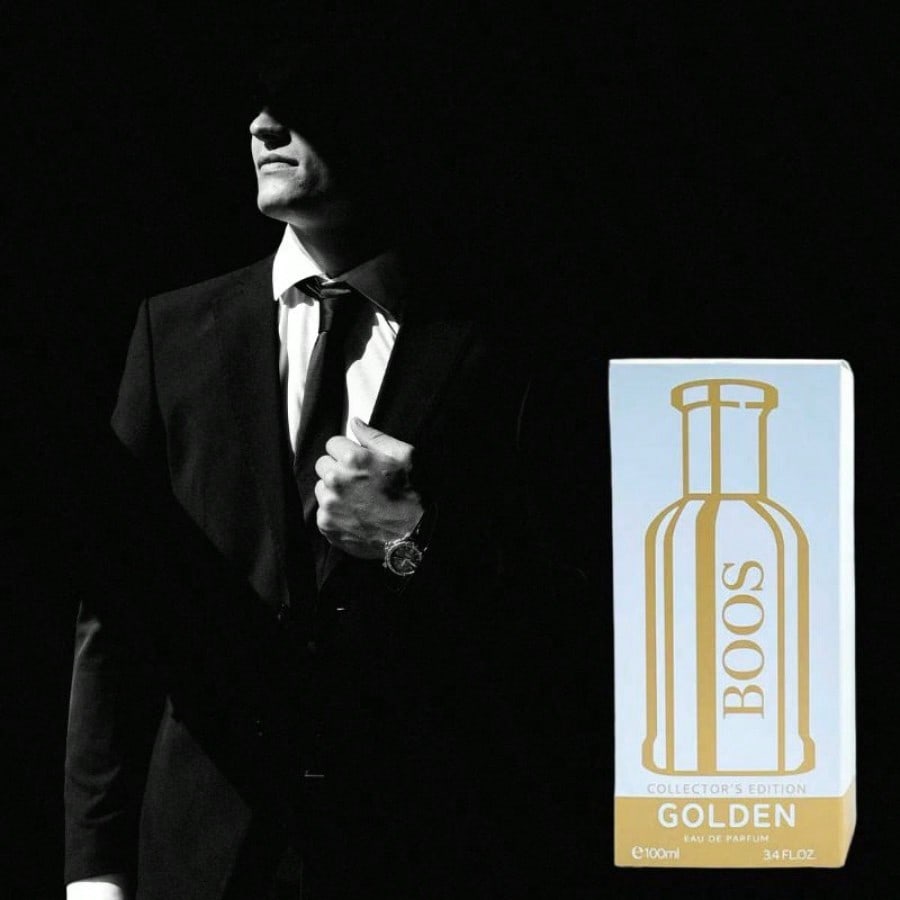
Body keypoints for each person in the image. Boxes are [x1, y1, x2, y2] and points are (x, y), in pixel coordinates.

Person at [64, 29, 599, 900]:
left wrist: (411, 538)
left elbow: (566, 625)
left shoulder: (497, 349)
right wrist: (93, 870)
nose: (262, 127)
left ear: (385, 120)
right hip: (203, 852)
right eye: (256, 105)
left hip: (419, 850)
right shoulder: (173, 334)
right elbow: (116, 612)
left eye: (297, 104)